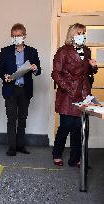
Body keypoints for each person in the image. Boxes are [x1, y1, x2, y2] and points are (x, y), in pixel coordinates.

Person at [51, 23, 98, 167]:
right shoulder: (63, 51)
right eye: (78, 33)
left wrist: (93, 67)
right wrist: (69, 87)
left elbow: (87, 72)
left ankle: (75, 158)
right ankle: (57, 154)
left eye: (83, 32)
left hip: (83, 92)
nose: (81, 35)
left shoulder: (87, 50)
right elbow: (55, 73)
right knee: (65, 125)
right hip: (67, 94)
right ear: (72, 35)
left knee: (78, 127)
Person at [0, 23, 41, 156]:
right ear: (11, 37)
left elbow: (38, 71)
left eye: (19, 35)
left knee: (22, 118)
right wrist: (4, 76)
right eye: (14, 36)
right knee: (11, 118)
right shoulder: (5, 51)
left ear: (24, 36)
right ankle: (12, 147)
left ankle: (21, 145)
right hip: (10, 89)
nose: (16, 38)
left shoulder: (32, 51)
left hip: (25, 90)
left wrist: (35, 68)